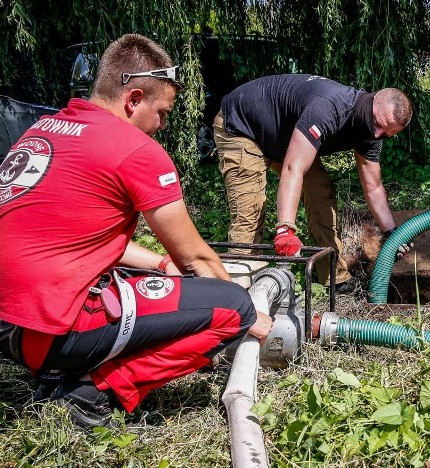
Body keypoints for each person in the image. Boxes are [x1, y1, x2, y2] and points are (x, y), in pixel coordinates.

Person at [0, 33, 273, 429]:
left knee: (160, 286)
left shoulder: (43, 131)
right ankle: (92, 392)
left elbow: (77, 240)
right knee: (233, 307)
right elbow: (195, 258)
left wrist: (160, 265)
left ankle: (63, 368)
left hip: (10, 326)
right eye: (162, 112)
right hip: (48, 336)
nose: (163, 124)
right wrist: (250, 316)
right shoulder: (135, 149)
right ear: (134, 99)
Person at [214, 74, 414, 293]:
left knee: (321, 192)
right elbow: (294, 168)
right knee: (249, 209)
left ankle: (333, 276)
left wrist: (392, 232)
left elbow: (373, 187)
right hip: (244, 126)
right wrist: (285, 229)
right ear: (373, 100)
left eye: (386, 134)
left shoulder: (372, 135)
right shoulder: (330, 108)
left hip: (284, 137)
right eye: (377, 124)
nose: (377, 134)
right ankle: (240, 291)